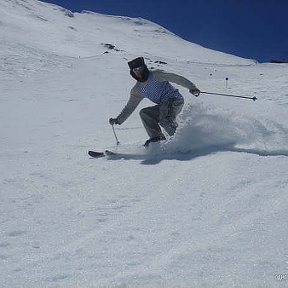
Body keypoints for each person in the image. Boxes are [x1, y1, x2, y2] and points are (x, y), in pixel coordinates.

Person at [109, 57, 200, 147]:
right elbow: (130, 107)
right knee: (145, 113)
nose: (138, 71)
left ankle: (184, 142)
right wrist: (118, 119)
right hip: (163, 105)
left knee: (164, 119)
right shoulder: (137, 89)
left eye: (140, 68)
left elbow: (175, 78)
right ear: (132, 72)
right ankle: (157, 138)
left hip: (174, 99)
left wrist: (192, 87)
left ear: (144, 67)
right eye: (135, 70)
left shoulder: (155, 75)